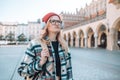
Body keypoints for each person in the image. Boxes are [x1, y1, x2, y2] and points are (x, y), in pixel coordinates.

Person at [18, 12, 73, 80]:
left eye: (59, 21)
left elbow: (69, 70)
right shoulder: (35, 44)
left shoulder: (64, 45)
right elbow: (22, 71)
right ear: (45, 25)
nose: (57, 23)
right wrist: (40, 63)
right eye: (53, 21)